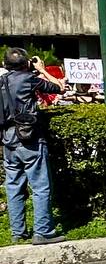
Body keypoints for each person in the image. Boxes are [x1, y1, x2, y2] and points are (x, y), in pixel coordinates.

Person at [1, 48, 65, 244]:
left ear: (5, 65)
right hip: (30, 139)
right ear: (26, 63)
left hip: (7, 139)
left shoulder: (1, 81)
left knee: (13, 186)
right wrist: (42, 70)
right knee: (40, 186)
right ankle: (43, 231)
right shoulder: (28, 78)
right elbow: (60, 87)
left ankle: (17, 233)